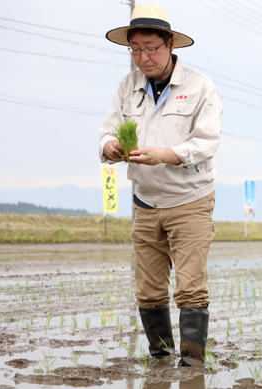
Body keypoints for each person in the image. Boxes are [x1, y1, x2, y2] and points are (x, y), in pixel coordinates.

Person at [98, 4, 223, 366]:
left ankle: (192, 363)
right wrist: (110, 146)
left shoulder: (200, 87)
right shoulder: (127, 86)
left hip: (190, 201)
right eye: (135, 49)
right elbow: (107, 131)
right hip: (145, 201)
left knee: (189, 286)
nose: (143, 57)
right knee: (149, 290)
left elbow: (208, 142)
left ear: (170, 45)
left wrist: (166, 154)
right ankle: (160, 359)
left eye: (151, 47)